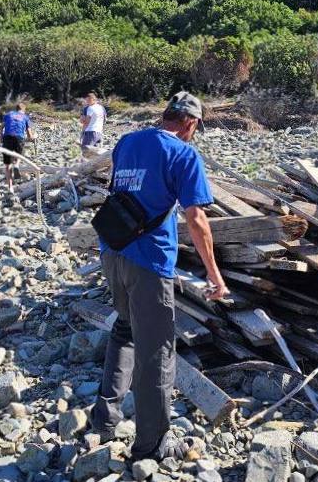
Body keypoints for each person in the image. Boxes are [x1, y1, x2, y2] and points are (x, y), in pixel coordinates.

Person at [90, 91, 229, 462]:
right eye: (196, 127)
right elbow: (197, 220)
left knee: (124, 328)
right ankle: (152, 444)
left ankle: (104, 419)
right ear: (190, 123)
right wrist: (215, 274)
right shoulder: (184, 154)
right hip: (148, 262)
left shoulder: (127, 141)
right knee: (157, 353)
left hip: (112, 250)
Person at [0, 102, 35, 191]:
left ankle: (10, 187)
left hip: (7, 137)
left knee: (7, 164)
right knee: (20, 153)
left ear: (16, 109)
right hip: (19, 138)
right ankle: (17, 165)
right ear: (23, 110)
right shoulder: (25, 117)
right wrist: (33, 138)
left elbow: (1, 127)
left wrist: (0, 139)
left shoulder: (8, 115)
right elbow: (29, 134)